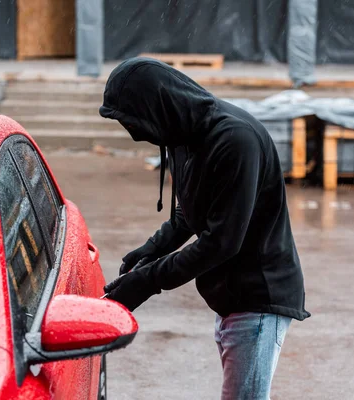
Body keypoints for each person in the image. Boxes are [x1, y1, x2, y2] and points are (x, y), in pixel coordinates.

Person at [99, 57, 311, 400]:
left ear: (159, 108)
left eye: (132, 122)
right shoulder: (183, 134)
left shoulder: (234, 141)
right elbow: (192, 210)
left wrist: (148, 281)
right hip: (231, 295)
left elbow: (222, 242)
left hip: (258, 297)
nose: (134, 134)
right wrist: (154, 246)